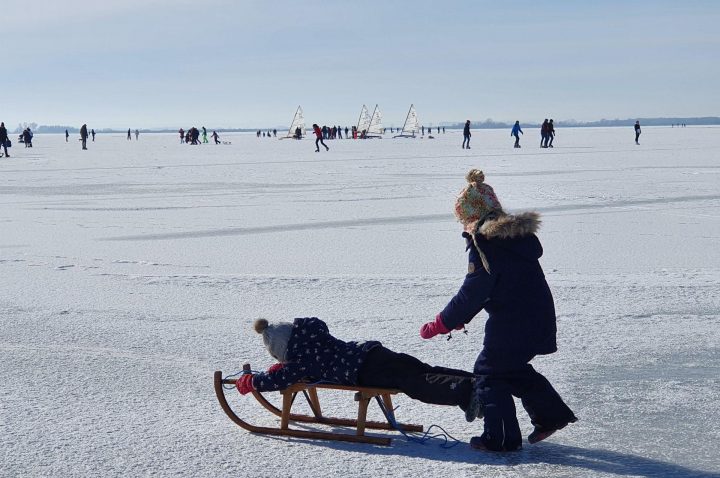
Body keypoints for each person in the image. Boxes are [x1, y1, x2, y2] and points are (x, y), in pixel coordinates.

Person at [420, 169, 577, 452]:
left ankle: (500, 439)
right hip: (535, 316)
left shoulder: (487, 244)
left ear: (471, 217)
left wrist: (443, 322)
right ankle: (551, 415)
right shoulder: (513, 239)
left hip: (513, 322)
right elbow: (493, 286)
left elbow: (474, 291)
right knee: (509, 369)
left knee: (489, 373)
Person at [236, 318, 481, 417]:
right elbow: (296, 368)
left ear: (284, 350)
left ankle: (466, 391)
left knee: (415, 384)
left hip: (366, 371)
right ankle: (475, 380)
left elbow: (282, 379)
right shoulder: (313, 337)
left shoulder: (301, 360)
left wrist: (254, 382)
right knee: (420, 370)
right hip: (370, 351)